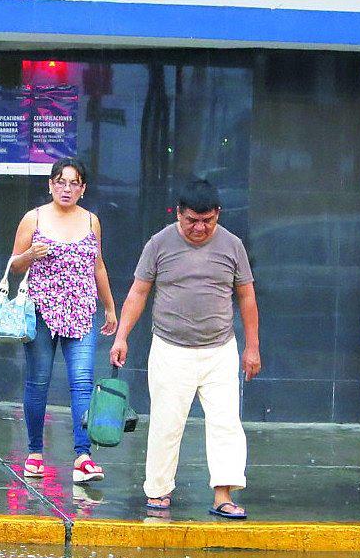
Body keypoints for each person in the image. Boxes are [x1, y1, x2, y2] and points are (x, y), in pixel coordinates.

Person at [110, 178, 260, 519]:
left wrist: (252, 347)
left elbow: (247, 297)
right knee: (166, 423)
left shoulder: (232, 245)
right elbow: (138, 292)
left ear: (218, 214)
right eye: (192, 219)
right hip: (170, 348)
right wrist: (121, 337)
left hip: (220, 350)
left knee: (226, 423)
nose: (200, 227)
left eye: (208, 220)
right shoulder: (159, 243)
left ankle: (223, 494)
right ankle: (159, 492)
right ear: (179, 213)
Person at [9, 158, 118, 483]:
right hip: (41, 312)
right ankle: (34, 452)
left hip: (82, 312)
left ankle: (83, 455)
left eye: (73, 183)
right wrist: (31, 256)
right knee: (38, 381)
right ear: (50, 185)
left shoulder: (91, 221)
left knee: (83, 382)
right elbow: (14, 264)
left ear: (83, 189)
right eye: (60, 181)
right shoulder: (35, 217)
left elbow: (98, 265)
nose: (66, 188)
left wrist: (110, 307)